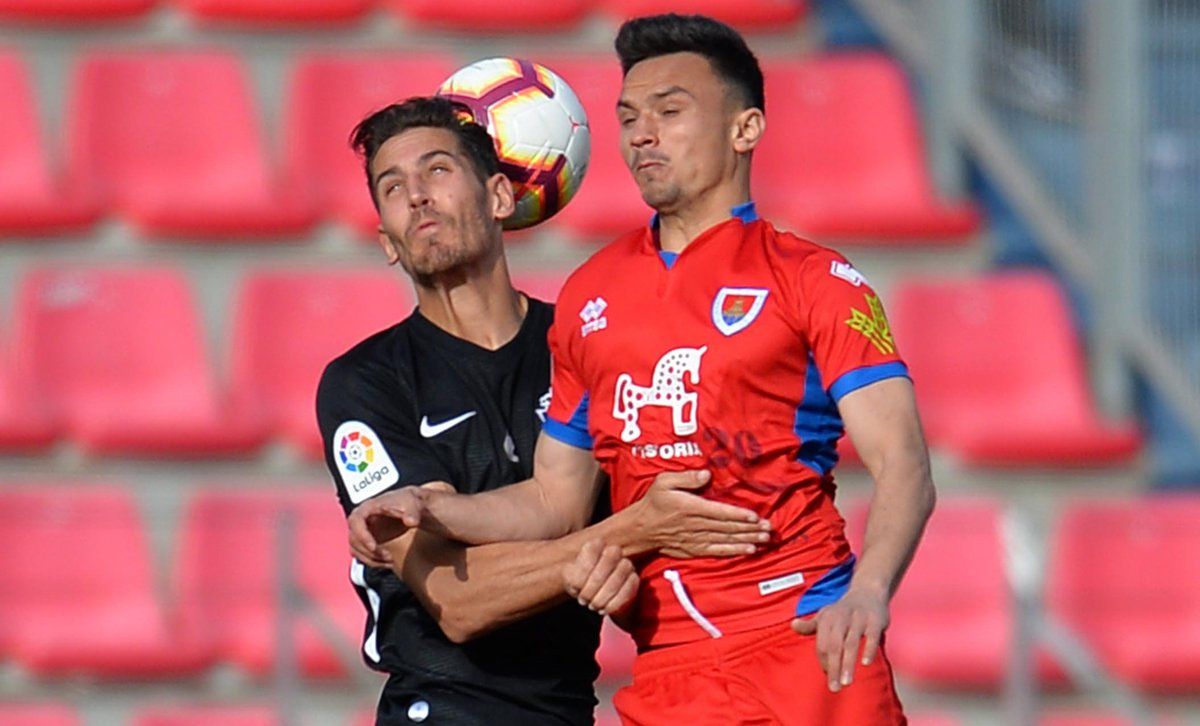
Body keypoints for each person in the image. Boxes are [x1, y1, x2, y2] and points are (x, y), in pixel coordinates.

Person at [353, 15, 936, 724]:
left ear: (745, 129)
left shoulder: (818, 280)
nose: (642, 134)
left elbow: (902, 459)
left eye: (670, 111)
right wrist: (432, 506)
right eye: (629, 116)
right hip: (668, 671)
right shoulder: (590, 296)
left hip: (804, 641)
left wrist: (871, 589)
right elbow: (553, 502)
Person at [317, 96, 771, 726]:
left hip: (570, 707)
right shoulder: (364, 383)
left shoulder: (592, 346)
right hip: (443, 709)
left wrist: (622, 567)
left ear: (502, 198)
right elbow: (456, 599)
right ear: (386, 241)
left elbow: (658, 533)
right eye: (393, 188)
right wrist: (632, 533)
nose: (417, 196)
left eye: (438, 171)